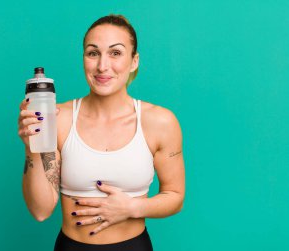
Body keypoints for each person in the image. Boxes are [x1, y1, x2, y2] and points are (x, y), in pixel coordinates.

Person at [18, 14, 185, 251]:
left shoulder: (160, 122)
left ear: (134, 61)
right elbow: (41, 210)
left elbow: (175, 196)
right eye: (93, 53)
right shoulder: (58, 118)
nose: (102, 66)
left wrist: (131, 208)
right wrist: (32, 147)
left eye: (115, 53)